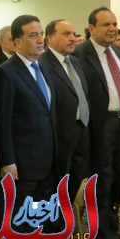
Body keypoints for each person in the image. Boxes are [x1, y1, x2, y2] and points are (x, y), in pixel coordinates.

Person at [0, 15, 58, 239]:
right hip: (20, 163)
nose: (40, 39)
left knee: (37, 219)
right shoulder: (6, 73)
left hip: (46, 160)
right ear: (17, 42)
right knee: (16, 219)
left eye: (41, 33)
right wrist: (8, 160)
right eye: (33, 35)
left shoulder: (44, 68)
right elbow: (3, 122)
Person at [73, 6, 120, 239]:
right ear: (91, 28)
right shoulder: (79, 54)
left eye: (114, 24)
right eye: (106, 24)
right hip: (99, 125)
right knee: (101, 183)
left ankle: (112, 236)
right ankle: (99, 238)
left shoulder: (118, 52)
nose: (112, 29)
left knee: (117, 181)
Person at [39, 20, 90, 206]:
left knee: (75, 179)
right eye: (66, 34)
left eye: (74, 34)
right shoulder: (42, 64)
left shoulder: (75, 62)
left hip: (81, 129)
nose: (72, 38)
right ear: (50, 38)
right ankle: (55, 221)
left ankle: (65, 216)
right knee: (56, 187)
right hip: (59, 135)